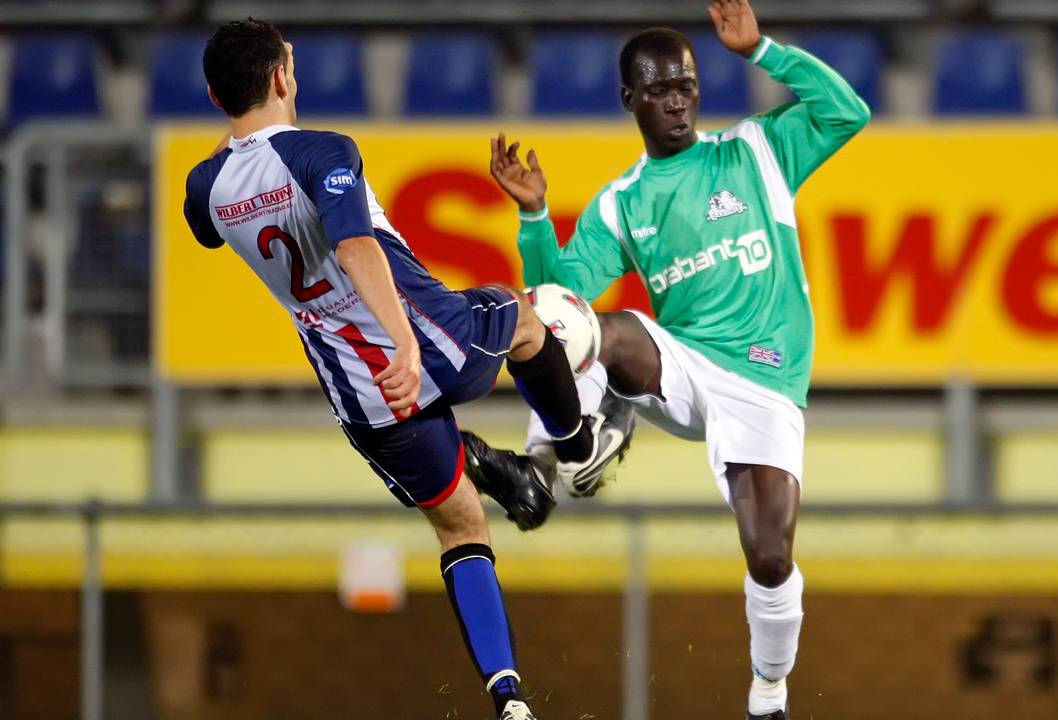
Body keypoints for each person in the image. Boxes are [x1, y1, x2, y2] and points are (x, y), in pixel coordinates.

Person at [184, 19, 607, 720]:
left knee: (461, 527)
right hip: (427, 340)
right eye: (290, 64)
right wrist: (406, 344)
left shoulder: (206, 186)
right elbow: (357, 247)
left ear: (214, 96)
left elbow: (204, 223)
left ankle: (508, 696)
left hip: (362, 395)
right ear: (283, 79)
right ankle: (578, 444)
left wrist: (235, 131)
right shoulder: (324, 151)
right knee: (525, 316)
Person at [470, 1, 871, 717]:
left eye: (686, 85)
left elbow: (849, 112)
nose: (678, 100)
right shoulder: (622, 203)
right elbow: (557, 303)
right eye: (659, 89)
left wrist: (764, 51)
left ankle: (769, 694)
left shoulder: (756, 151)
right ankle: (543, 469)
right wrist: (535, 217)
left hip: (766, 381)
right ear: (630, 98)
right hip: (682, 364)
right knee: (583, 325)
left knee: (771, 557)